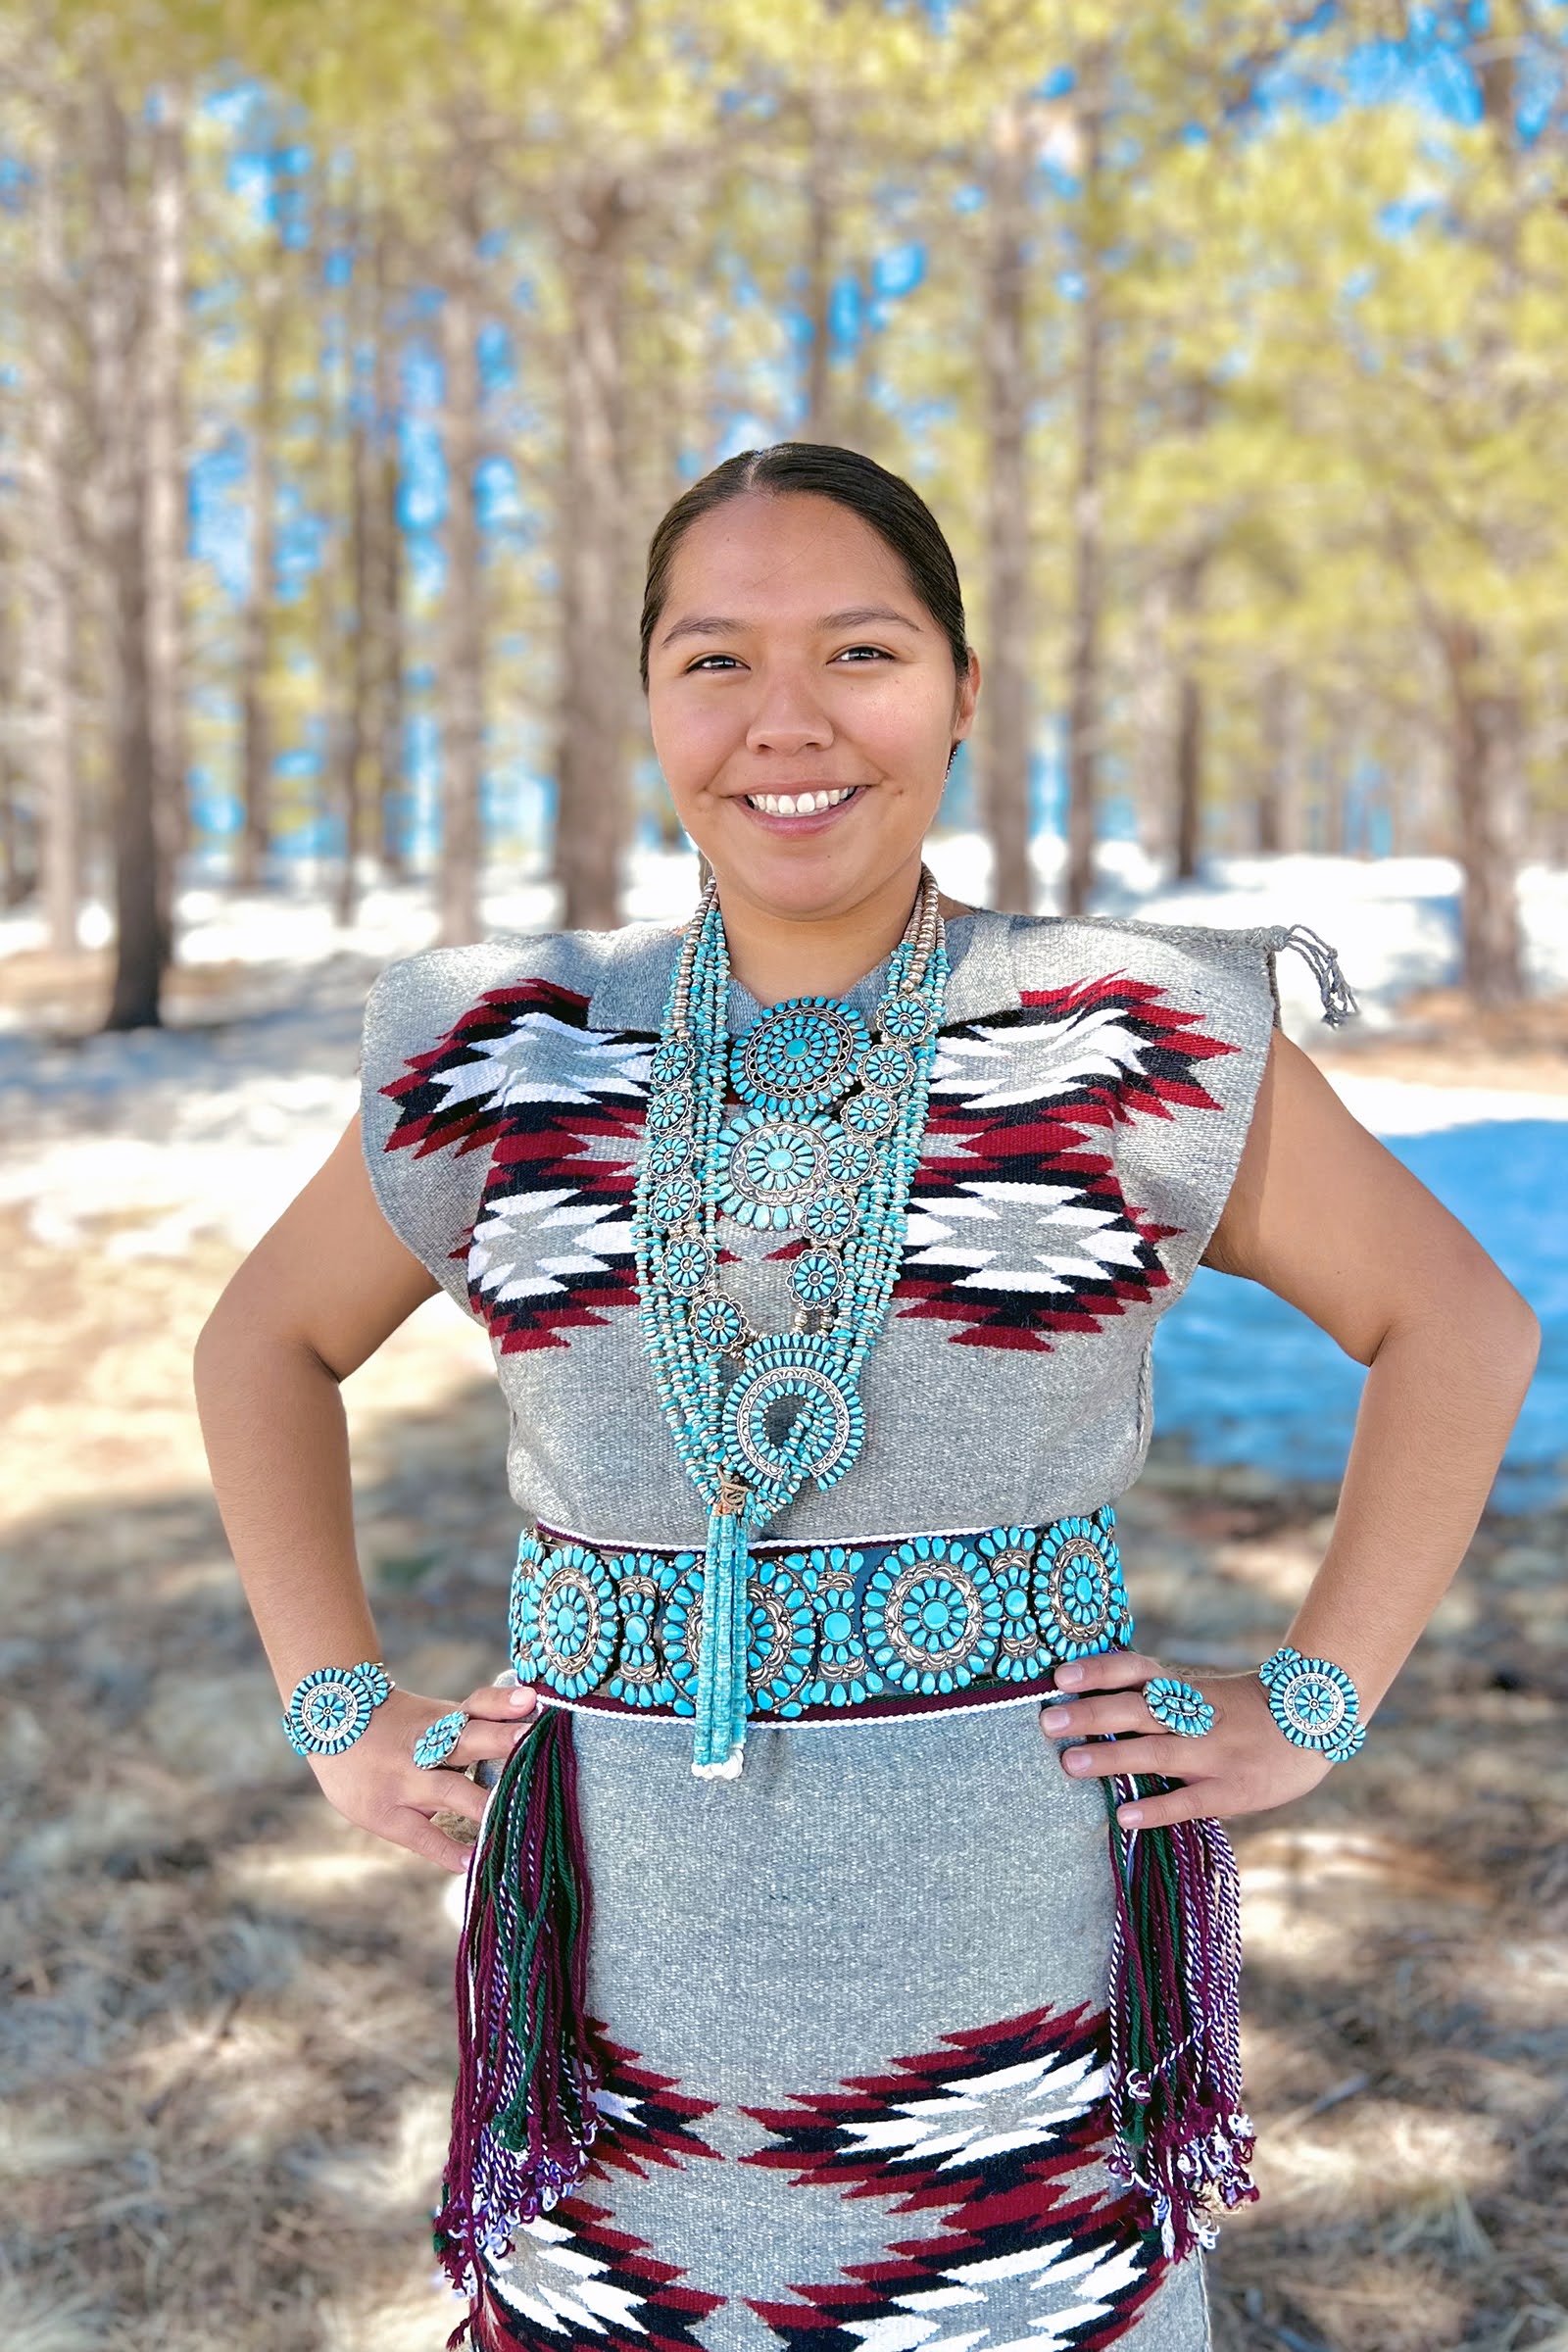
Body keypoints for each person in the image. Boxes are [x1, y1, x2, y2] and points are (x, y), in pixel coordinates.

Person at [194, 443, 1538, 2352]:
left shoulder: (1116, 1035)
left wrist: (1315, 1698)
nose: (787, 722)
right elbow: (261, 1342)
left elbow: (1455, 1324)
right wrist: (336, 1705)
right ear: (647, 701)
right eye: (714, 661)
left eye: (860, 650)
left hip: (1008, 2012)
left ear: (963, 689)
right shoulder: (512, 1046)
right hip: (613, 2031)